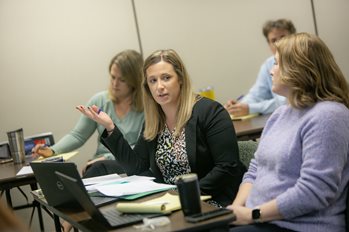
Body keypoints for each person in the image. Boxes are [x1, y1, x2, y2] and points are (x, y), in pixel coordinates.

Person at [77, 49, 246, 207]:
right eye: (153, 80)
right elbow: (137, 168)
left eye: (166, 78)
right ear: (147, 87)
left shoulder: (210, 112)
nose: (159, 86)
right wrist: (110, 127)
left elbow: (227, 167)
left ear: (180, 79)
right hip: (170, 203)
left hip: (209, 200)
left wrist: (183, 195)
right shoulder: (155, 122)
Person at [228, 32, 349, 232]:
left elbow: (314, 191)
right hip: (261, 220)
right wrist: (235, 210)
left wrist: (252, 215)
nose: (271, 71)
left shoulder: (329, 115)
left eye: (276, 64)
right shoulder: (281, 113)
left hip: (299, 226)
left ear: (298, 69)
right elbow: (254, 171)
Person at [32, 49, 144, 174]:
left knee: (96, 169)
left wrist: (107, 158)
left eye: (122, 80)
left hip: (129, 163)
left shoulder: (147, 107)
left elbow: (143, 148)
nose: (115, 83)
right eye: (112, 77)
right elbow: (78, 136)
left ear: (135, 80)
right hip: (100, 164)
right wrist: (52, 151)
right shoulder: (99, 101)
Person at [225, 19, 296, 117]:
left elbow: (287, 101)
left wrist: (251, 108)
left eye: (283, 37)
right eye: (274, 40)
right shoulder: (268, 64)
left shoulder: (301, 61)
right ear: (269, 44)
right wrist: (238, 106)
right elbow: (257, 94)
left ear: (294, 38)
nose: (279, 43)